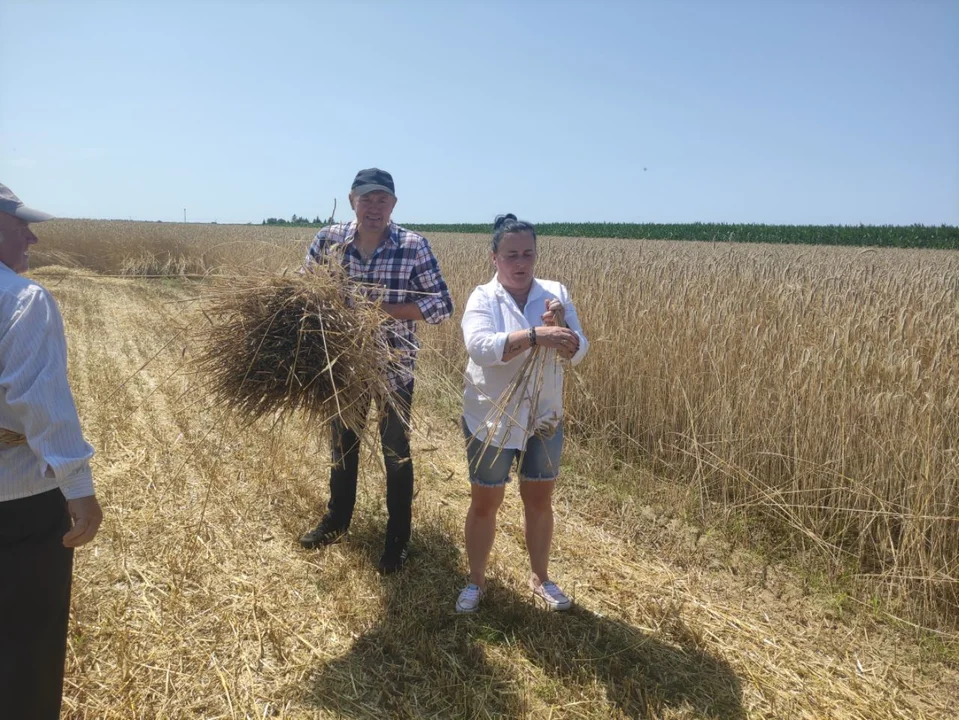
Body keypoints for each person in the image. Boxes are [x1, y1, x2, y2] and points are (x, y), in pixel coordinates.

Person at [299, 168, 453, 574]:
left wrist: (377, 312)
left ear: (394, 205)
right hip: (342, 370)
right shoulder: (328, 241)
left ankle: (397, 541)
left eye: (382, 199)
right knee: (342, 446)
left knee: (396, 453)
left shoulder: (413, 246)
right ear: (352, 200)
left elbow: (441, 305)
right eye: (366, 198)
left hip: (394, 370)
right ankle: (337, 521)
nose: (374, 207)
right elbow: (303, 295)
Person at [0, 182, 104, 718]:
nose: (33, 240)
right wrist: (79, 489)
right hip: (16, 504)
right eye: (22, 227)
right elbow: (41, 405)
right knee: (25, 651)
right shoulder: (21, 298)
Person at [456, 214, 589, 613]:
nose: (521, 263)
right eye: (511, 254)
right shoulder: (483, 297)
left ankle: (541, 579)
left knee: (539, 499)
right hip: (492, 414)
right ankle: (476, 582)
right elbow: (480, 348)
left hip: (544, 416)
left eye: (528, 253)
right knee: (485, 502)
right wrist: (535, 336)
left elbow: (580, 351)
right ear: (494, 257)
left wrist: (563, 331)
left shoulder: (555, 293)